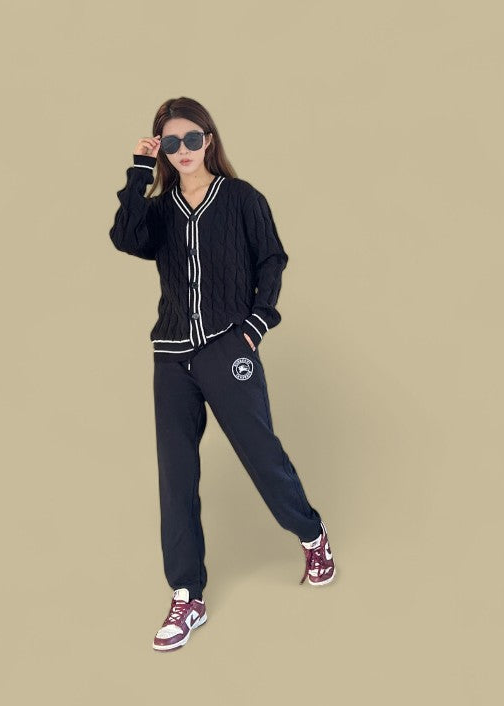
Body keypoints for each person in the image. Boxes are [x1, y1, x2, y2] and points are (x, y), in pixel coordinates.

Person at [108, 97, 336, 652]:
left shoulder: (241, 198)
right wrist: (138, 170)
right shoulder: (159, 209)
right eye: (171, 142)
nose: (183, 150)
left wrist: (255, 325)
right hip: (171, 356)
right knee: (176, 476)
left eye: (192, 138)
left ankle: (311, 535)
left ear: (208, 140)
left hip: (226, 347)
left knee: (260, 452)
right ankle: (188, 594)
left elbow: (272, 259)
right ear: (162, 149)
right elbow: (126, 238)